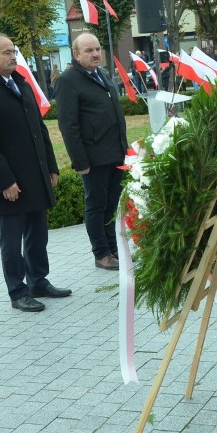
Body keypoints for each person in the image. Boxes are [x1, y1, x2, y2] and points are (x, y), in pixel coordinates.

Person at [0, 33, 70, 312]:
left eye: (14, 51)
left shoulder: (22, 84)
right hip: (10, 181)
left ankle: (38, 281)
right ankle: (17, 290)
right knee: (12, 239)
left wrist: (51, 166)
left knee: (38, 233)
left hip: (36, 175)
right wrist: (5, 181)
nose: (13, 56)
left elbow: (40, 129)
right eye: (6, 52)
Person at [56, 33, 128, 270]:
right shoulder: (68, 80)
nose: (96, 54)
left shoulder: (102, 74)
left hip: (115, 154)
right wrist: (80, 161)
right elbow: (68, 125)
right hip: (93, 158)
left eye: (97, 49)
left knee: (111, 205)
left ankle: (113, 248)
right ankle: (101, 253)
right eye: (89, 50)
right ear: (76, 55)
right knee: (96, 207)